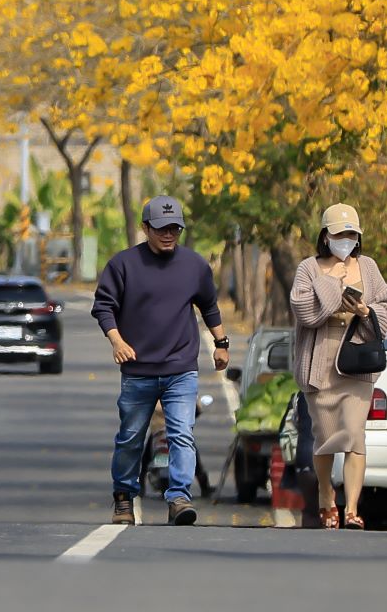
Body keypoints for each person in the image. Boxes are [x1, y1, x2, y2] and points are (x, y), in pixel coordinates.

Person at [92, 195, 229, 527]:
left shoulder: (195, 266)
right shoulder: (123, 264)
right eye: (161, 228)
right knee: (131, 435)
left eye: (174, 229)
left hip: (181, 368)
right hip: (138, 370)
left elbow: (208, 306)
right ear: (145, 228)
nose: (168, 234)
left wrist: (221, 344)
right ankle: (123, 496)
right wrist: (117, 341)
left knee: (181, 433)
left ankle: (179, 497)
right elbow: (103, 306)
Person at [289, 203, 387, 530]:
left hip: (357, 359)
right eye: (339, 234)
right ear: (325, 236)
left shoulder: (368, 267)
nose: (346, 240)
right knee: (326, 437)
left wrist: (365, 311)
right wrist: (333, 285)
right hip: (320, 360)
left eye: (351, 234)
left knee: (354, 435)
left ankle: (351, 509)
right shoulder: (309, 268)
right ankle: (325, 495)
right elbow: (303, 309)